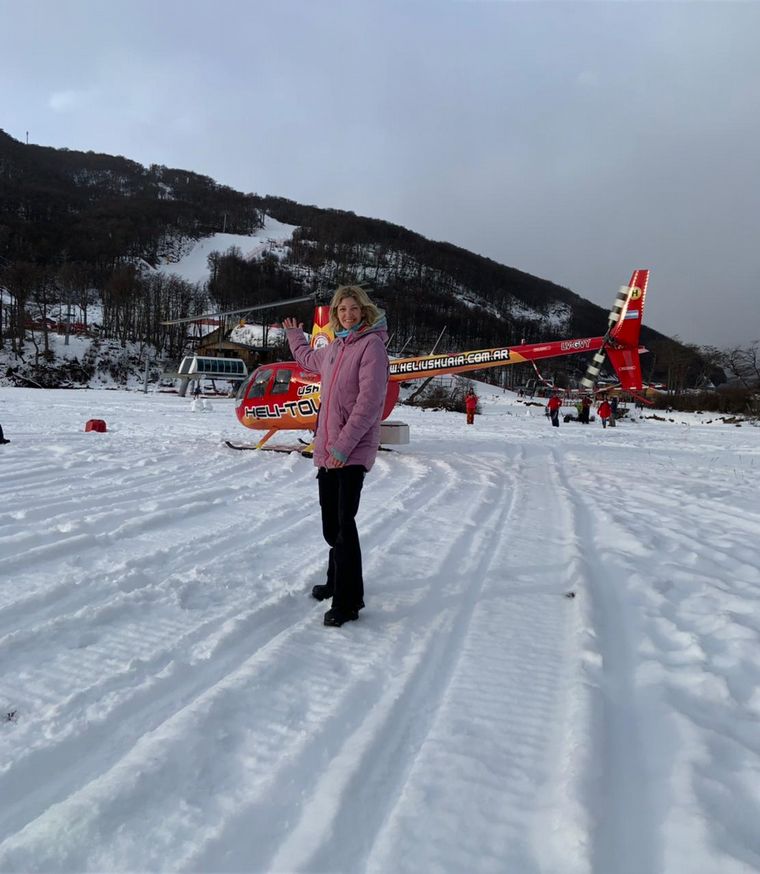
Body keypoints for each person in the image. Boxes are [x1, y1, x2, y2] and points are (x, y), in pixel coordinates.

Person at [283, 285, 389, 628]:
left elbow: (369, 404)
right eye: (342, 310)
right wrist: (295, 335)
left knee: (344, 526)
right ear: (334, 315)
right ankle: (334, 582)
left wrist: (343, 446)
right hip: (328, 450)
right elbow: (307, 360)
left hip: (351, 451)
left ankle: (348, 601)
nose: (348, 315)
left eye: (354, 309)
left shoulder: (371, 346)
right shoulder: (335, 348)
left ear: (364, 311)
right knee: (331, 525)